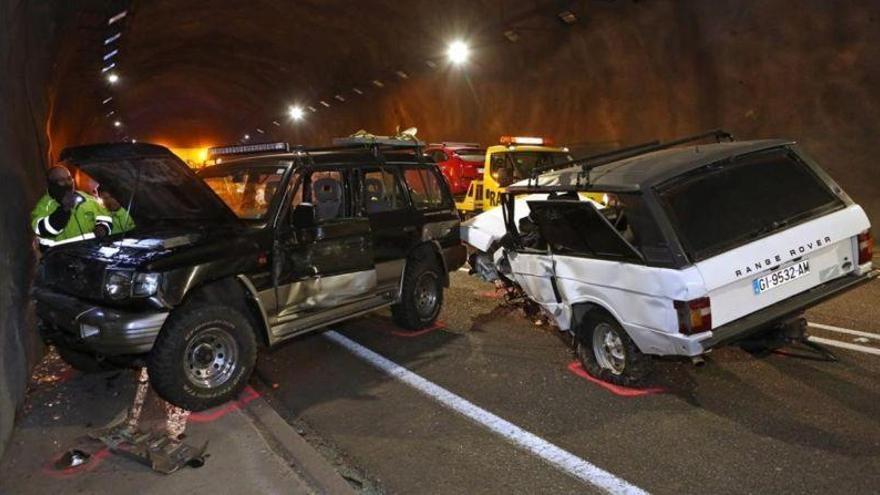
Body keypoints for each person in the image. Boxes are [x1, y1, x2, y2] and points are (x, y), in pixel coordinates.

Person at [30, 164, 114, 251]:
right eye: (62, 180)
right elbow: (45, 230)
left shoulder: (85, 198)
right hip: (61, 258)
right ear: (52, 184)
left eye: (69, 179)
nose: (67, 183)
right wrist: (64, 210)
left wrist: (103, 227)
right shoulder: (44, 206)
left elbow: (105, 216)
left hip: (90, 252)